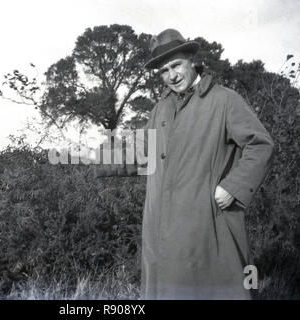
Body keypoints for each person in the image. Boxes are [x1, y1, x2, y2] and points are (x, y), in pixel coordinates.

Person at [96, 28, 274, 299]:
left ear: (191, 59)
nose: (172, 75)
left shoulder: (224, 100)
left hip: (206, 227)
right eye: (164, 71)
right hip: (161, 232)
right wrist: (92, 159)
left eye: (176, 65)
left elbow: (260, 145)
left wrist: (234, 187)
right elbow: (140, 154)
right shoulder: (160, 110)